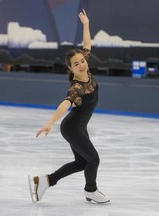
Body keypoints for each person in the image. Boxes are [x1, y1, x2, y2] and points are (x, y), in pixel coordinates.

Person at [29, 9, 110, 204]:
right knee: (93, 159)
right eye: (76, 64)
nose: (82, 65)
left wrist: (86, 25)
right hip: (72, 128)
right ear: (70, 69)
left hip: (78, 127)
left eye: (82, 61)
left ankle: (46, 181)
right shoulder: (77, 87)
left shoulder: (86, 69)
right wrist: (49, 123)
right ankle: (91, 190)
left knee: (82, 162)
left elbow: (87, 45)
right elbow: (64, 105)